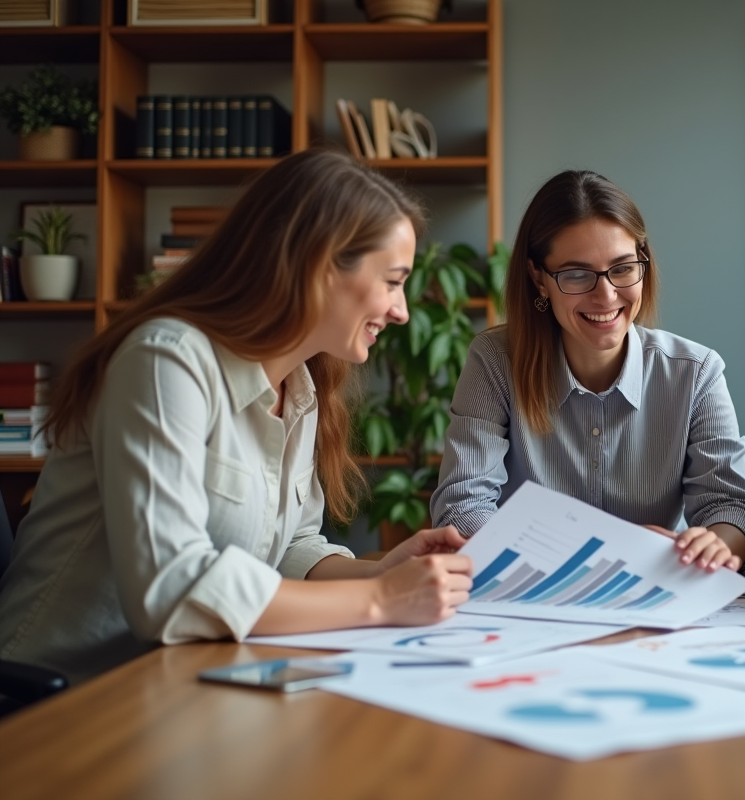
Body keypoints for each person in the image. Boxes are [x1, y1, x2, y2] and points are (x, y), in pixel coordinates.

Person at [0, 149, 473, 685]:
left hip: (178, 683)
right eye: (392, 280)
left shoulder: (300, 389)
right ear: (318, 265)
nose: (402, 310)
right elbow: (170, 592)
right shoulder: (166, 362)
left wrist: (380, 571)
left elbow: (288, 547)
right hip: (57, 700)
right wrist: (379, 599)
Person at [431, 170, 745, 572]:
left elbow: (734, 510)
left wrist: (711, 546)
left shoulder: (696, 373)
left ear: (643, 262)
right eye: (576, 275)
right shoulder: (495, 361)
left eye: (622, 269)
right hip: (529, 592)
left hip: (654, 595)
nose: (605, 295)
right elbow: (461, 508)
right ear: (539, 278)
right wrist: (583, 559)